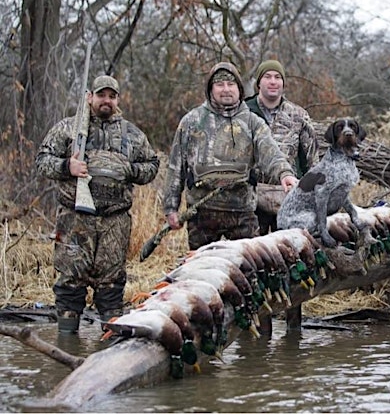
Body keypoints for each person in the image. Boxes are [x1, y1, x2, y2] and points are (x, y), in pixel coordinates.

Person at [36, 75, 159, 333]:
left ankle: (111, 345)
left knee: (112, 287)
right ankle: (67, 343)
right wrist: (66, 166)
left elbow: (152, 166)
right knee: (70, 284)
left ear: (117, 100)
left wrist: (131, 170)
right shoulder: (69, 128)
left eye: (112, 96)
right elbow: (42, 160)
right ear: (90, 97)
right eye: (101, 95)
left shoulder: (132, 134)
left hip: (115, 221)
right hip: (75, 219)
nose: (106, 100)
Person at [163, 61, 298, 250]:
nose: (226, 89)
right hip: (202, 214)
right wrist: (171, 208)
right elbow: (176, 168)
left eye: (231, 84)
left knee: (248, 272)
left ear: (239, 88)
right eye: (220, 84)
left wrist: (285, 173)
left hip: (243, 213)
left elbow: (270, 151)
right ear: (210, 89)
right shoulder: (191, 122)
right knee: (202, 273)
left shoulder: (252, 122)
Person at [246, 59, 318, 234]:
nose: (273, 81)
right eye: (267, 77)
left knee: (290, 251)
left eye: (278, 77)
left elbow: (311, 160)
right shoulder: (243, 113)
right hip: (252, 198)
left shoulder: (298, 115)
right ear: (258, 83)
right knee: (256, 253)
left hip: (288, 196)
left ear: (283, 83)